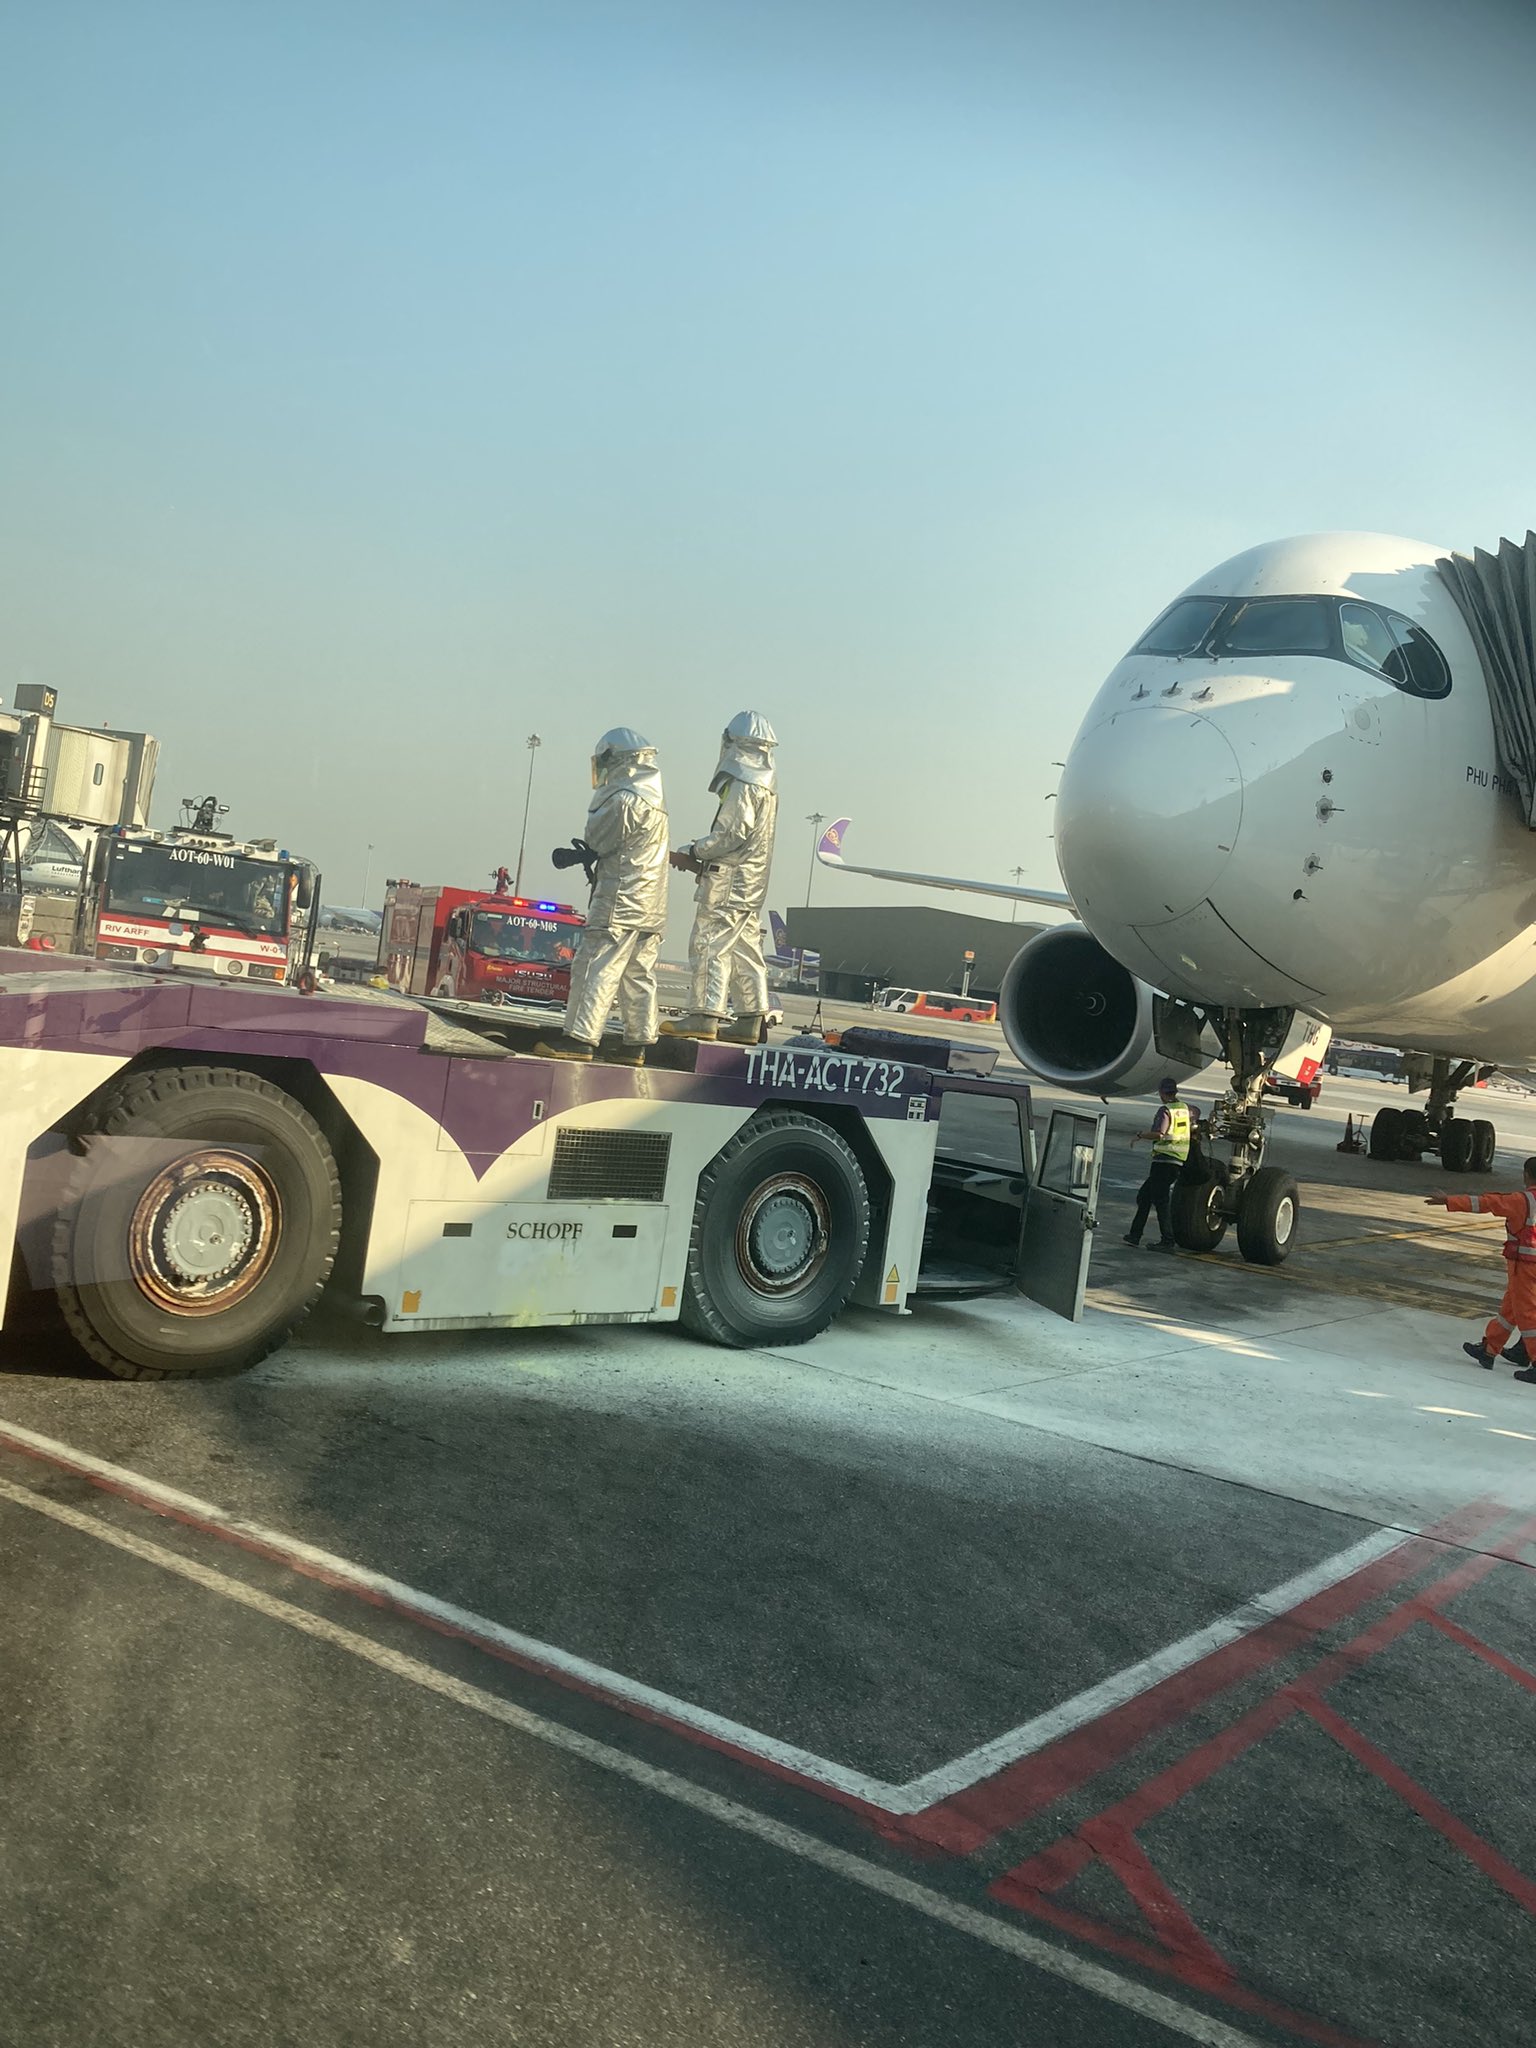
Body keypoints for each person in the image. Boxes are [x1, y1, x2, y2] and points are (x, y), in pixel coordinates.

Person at [534, 728, 669, 1066]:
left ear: (617, 761)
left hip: (620, 899)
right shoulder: (656, 801)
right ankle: (637, 1042)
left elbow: (597, 838)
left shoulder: (624, 799)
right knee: (638, 975)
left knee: (595, 965)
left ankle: (580, 1038)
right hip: (650, 905)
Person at [662, 710, 778, 1044]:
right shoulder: (768, 787)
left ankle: (703, 1015)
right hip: (751, 884)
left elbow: (732, 833)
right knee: (745, 950)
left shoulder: (744, 783)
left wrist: (695, 850)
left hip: (727, 881)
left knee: (710, 945)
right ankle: (751, 1019)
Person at [1427, 1160, 1536, 1381]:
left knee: (1526, 1313)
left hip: (1525, 1266)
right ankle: (1489, 1349)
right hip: (1527, 1266)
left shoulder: (1521, 1201)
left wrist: (1449, 1200)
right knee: (1511, 1309)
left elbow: (1486, 1203)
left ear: (1527, 1175)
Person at [1124, 1077, 1191, 1251]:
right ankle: (1134, 1235)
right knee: (1145, 1197)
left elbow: (1160, 1133)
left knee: (1160, 1201)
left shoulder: (1166, 1111)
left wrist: (1140, 1135)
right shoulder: (1183, 1108)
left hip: (1164, 1161)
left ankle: (1167, 1240)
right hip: (1177, 1160)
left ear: (1162, 1093)